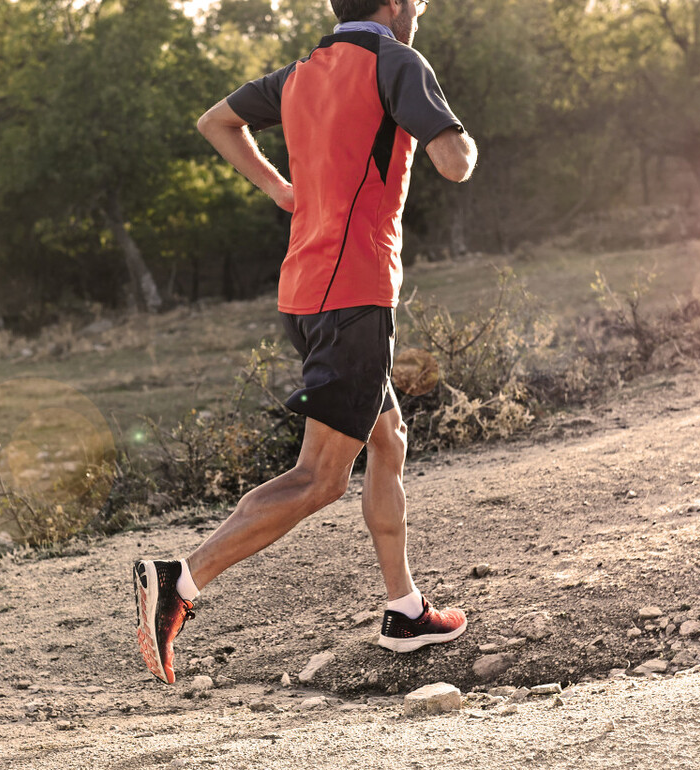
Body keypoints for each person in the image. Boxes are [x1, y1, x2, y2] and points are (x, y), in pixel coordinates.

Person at [134, 0, 477, 684]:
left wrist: (283, 191)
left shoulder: (299, 75)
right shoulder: (398, 62)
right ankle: (181, 579)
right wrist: (458, 135)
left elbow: (216, 122)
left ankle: (404, 610)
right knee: (319, 478)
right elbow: (455, 163)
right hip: (354, 298)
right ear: (395, 5)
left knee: (388, 441)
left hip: (305, 293)